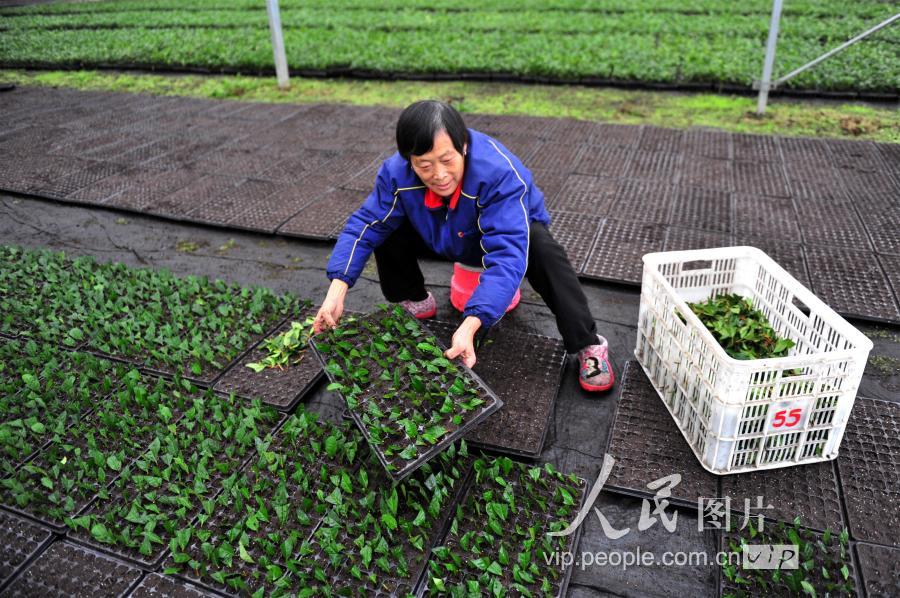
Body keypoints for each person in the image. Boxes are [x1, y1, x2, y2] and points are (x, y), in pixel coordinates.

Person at [312, 100, 614, 392]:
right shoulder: (396, 174)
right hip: (440, 234)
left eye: (447, 160)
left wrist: (470, 325)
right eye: (424, 165)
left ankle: (588, 343)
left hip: (497, 239)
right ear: (409, 160)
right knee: (384, 228)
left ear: (463, 147)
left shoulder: (498, 174)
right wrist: (336, 293)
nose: (439, 175)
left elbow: (508, 255)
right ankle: (415, 299)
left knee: (543, 249)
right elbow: (366, 224)